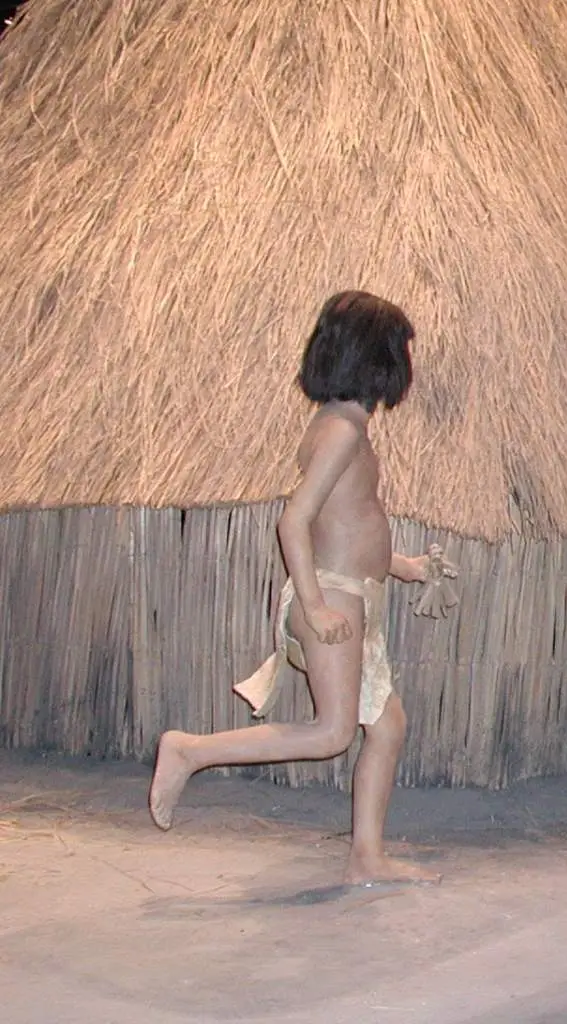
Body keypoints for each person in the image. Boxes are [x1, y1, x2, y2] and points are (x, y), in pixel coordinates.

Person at [148, 291, 443, 886]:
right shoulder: (340, 432)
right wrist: (312, 604)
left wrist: (403, 565)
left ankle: (366, 856)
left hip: (349, 593)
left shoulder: (344, 426)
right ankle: (190, 750)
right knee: (332, 733)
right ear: (379, 359)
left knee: (387, 726)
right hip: (331, 600)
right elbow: (295, 520)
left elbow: (351, 520)